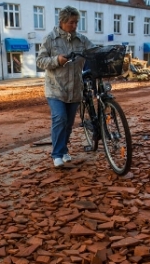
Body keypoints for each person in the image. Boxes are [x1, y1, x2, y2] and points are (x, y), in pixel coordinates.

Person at [36, 6, 93, 168]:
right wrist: (56, 61)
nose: (74, 26)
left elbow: (94, 51)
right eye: (71, 23)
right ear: (62, 22)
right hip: (56, 88)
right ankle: (57, 154)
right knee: (60, 118)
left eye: (76, 22)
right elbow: (40, 61)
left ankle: (64, 149)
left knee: (68, 123)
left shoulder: (82, 40)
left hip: (75, 88)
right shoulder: (50, 39)